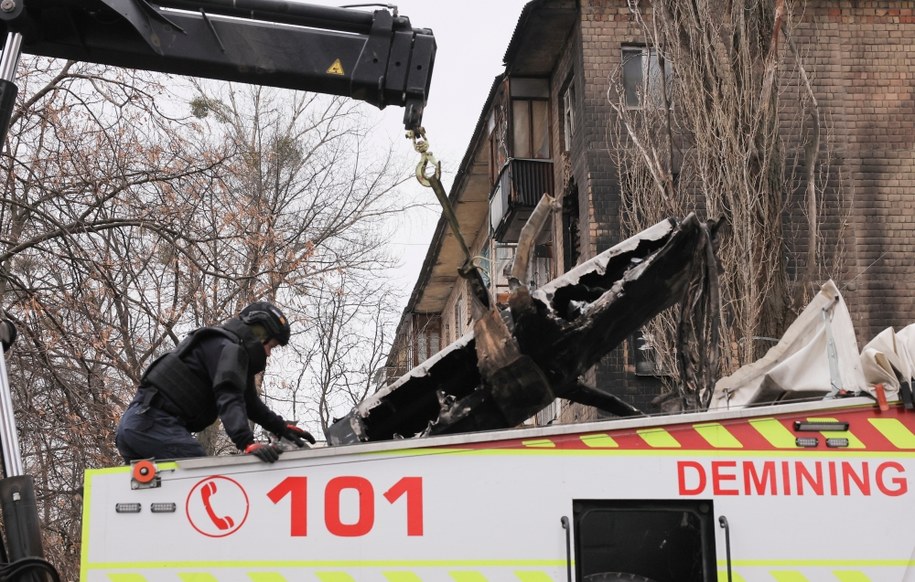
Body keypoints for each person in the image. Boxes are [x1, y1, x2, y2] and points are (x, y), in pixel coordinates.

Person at [115, 301, 315, 463]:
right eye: (270, 346)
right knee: (199, 473)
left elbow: (250, 404)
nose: (269, 354)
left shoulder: (221, 347)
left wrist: (280, 428)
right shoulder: (229, 349)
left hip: (138, 425)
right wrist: (246, 442)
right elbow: (228, 394)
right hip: (153, 424)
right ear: (258, 334)